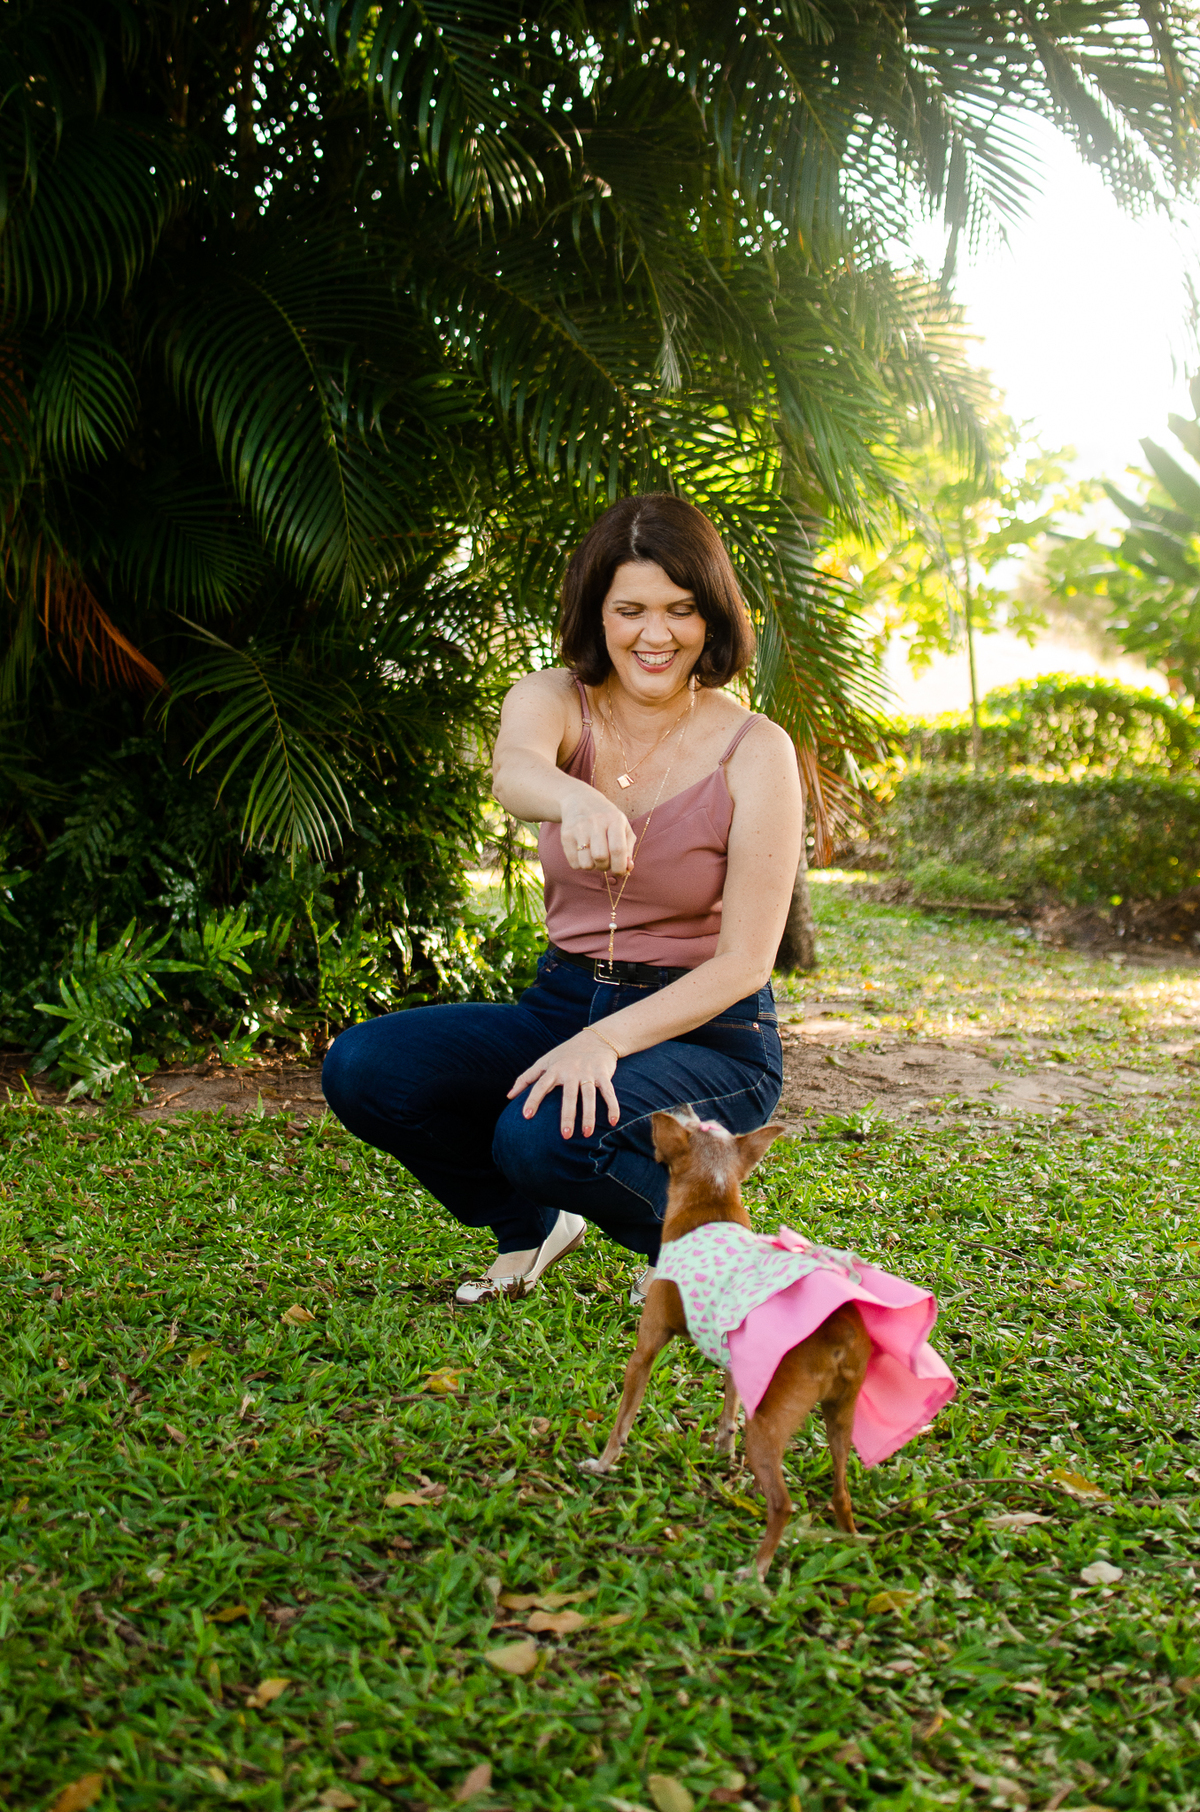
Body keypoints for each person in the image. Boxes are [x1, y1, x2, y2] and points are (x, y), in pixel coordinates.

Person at [321, 493, 804, 1304]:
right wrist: (575, 799)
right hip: (563, 1001)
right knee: (365, 1067)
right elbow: (515, 770)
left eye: (681, 610)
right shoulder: (554, 699)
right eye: (632, 610)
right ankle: (534, 1225)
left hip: (709, 1031)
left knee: (540, 1141)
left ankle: (715, 1253)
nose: (657, 635)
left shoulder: (755, 750)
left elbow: (744, 962)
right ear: (597, 611)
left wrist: (606, 1045)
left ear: (711, 615)